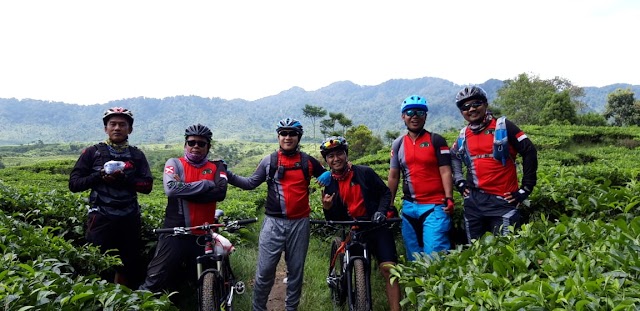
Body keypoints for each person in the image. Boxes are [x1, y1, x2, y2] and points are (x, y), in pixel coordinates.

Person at [226, 118, 325, 311]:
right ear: (278, 136)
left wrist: (332, 177)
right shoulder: (269, 161)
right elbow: (250, 183)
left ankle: (291, 308)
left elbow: (328, 178)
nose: (288, 137)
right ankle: (258, 308)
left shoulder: (308, 161)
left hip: (300, 223)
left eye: (292, 134)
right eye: (284, 133)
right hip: (273, 223)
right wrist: (227, 174)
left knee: (296, 272)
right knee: (264, 272)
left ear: (299, 137)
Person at [69, 107, 153, 288]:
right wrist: (98, 176)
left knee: (128, 265)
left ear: (130, 129)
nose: (117, 128)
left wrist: (126, 179)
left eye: (122, 124)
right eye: (112, 124)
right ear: (105, 128)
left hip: (129, 217)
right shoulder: (92, 152)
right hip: (100, 217)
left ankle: (120, 302)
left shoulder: (137, 155)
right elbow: (74, 184)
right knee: (96, 263)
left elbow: (147, 186)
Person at [139, 124, 229, 293]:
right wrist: (205, 184)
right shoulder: (174, 163)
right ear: (185, 145)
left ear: (208, 147)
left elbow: (219, 193)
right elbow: (171, 189)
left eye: (201, 144)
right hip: (175, 232)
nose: (196, 146)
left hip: (203, 234)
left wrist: (185, 189)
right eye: (191, 142)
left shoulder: (217, 166)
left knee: (211, 282)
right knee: (155, 278)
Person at [319, 136, 401, 311]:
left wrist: (380, 211)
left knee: (389, 270)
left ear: (346, 154)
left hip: (376, 227)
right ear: (326, 160)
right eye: (331, 156)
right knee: (355, 266)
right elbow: (335, 218)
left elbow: (385, 193)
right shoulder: (330, 184)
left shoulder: (365, 172)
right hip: (354, 230)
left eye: (339, 154)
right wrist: (327, 207)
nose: (336, 159)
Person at [450, 85, 538, 243]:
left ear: (485, 104)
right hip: (474, 203)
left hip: (503, 202)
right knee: (474, 253)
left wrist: (526, 188)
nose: (471, 109)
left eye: (476, 103)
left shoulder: (503, 127)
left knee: (504, 254)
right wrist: (459, 181)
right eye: (465, 107)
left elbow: (529, 151)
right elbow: (454, 156)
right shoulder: (464, 134)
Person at [387, 95, 455, 261]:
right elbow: (394, 175)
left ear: (425, 116)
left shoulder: (436, 140)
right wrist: (388, 205)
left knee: (435, 256)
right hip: (409, 207)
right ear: (403, 116)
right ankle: (420, 288)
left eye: (419, 112)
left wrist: (449, 198)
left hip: (434, 206)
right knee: (414, 256)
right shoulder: (398, 144)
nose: (414, 116)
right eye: (410, 112)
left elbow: (446, 171)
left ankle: (436, 286)